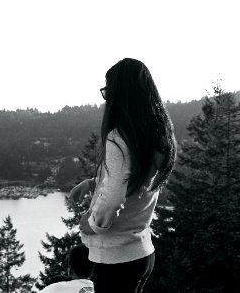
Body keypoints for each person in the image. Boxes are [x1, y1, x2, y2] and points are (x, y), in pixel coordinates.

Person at [69, 58, 176, 293]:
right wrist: (93, 183)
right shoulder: (154, 136)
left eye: (108, 91)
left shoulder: (119, 137)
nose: (106, 99)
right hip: (141, 253)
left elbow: (114, 197)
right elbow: (135, 180)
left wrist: (93, 224)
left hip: (116, 258)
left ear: (121, 95)